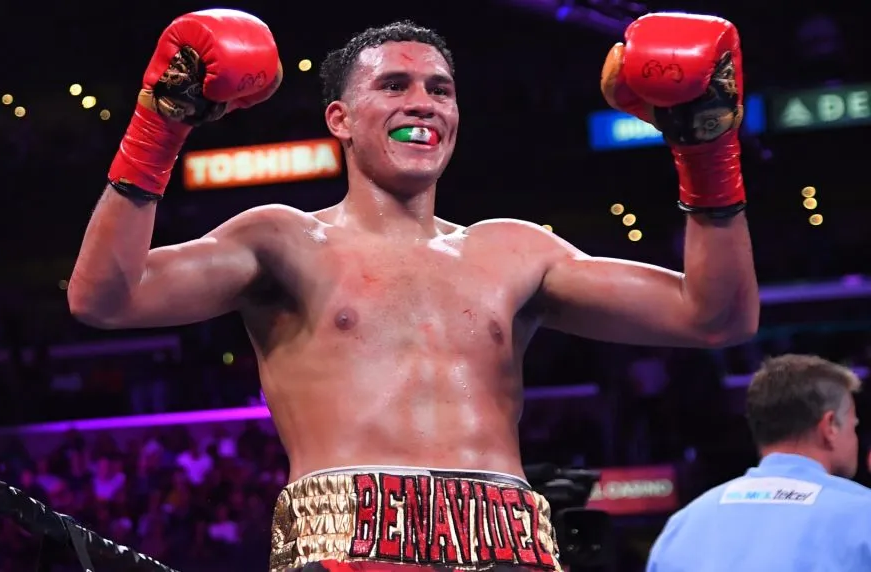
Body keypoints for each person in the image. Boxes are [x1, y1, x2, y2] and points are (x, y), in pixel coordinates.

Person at [68, 8, 760, 571]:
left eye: (440, 88)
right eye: (394, 85)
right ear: (340, 118)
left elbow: (715, 316)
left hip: (509, 542)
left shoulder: (514, 248)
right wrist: (159, 128)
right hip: (345, 542)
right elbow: (104, 298)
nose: (422, 103)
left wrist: (706, 152)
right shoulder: (282, 240)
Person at [647, 355, 871, 572]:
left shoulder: (683, 525)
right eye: (854, 425)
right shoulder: (863, 515)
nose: (856, 439)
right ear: (830, 425)